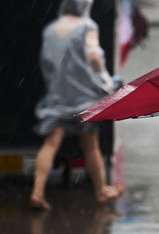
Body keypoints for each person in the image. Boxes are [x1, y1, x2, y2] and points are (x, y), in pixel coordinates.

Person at [30, 0, 123, 210]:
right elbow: (94, 56)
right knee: (91, 145)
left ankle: (37, 193)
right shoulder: (87, 27)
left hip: (58, 95)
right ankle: (101, 191)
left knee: (50, 144)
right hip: (83, 96)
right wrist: (106, 79)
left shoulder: (50, 30)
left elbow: (47, 61)